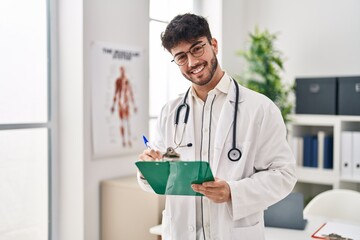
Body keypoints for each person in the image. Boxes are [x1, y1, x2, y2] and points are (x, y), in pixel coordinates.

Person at [137, 13, 297, 240]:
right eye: (181, 57)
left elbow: (284, 174)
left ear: (213, 45)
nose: (192, 63)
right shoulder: (170, 112)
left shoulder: (259, 108)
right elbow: (162, 180)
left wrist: (233, 192)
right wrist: (149, 168)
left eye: (197, 49)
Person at [111, 66, 137, 147]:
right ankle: (123, 140)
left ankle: (129, 139)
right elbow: (116, 92)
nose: (122, 72)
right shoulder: (118, 81)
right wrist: (113, 105)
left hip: (126, 104)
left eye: (123, 70)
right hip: (120, 104)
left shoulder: (127, 81)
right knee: (122, 122)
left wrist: (134, 105)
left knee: (128, 122)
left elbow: (131, 93)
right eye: (121, 71)